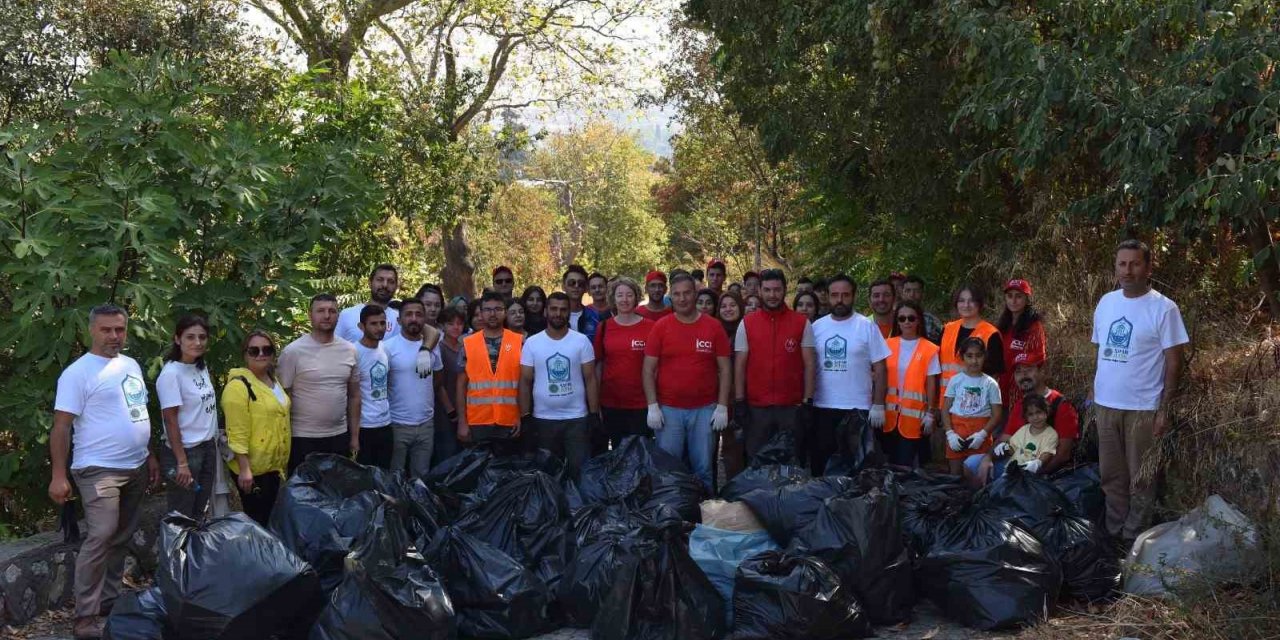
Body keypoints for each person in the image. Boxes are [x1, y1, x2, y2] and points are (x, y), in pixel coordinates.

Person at [50, 305, 160, 639]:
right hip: (98, 469)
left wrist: (150, 455)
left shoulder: (131, 365)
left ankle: (109, 604)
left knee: (121, 536)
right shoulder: (77, 373)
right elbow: (60, 428)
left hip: (136, 465)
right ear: (91, 331)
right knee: (101, 535)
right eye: (106, 330)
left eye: (120, 329)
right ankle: (85, 617)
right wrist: (58, 475)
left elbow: (136, 410)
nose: (114, 336)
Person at [1092, 239, 1189, 542]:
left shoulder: (1164, 308)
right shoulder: (1107, 302)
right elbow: (1101, 349)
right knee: (1111, 476)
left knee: (1141, 480)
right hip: (1106, 405)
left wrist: (1164, 409)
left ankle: (1133, 540)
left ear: (1148, 267)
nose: (1127, 270)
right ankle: (1113, 532)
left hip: (1143, 409)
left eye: (1135, 263)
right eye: (1122, 263)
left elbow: (1175, 363)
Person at [643, 273, 732, 489]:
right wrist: (652, 406)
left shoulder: (713, 327)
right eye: (677, 294)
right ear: (670, 297)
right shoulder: (661, 327)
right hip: (669, 411)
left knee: (703, 468)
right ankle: (670, 514)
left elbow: (725, 369)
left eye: (687, 293)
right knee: (668, 469)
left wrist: (722, 406)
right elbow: (648, 369)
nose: (682, 299)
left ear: (695, 294)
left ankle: (705, 514)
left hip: (704, 410)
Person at [808, 274, 889, 475]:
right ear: (827, 296)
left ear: (853, 296)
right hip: (823, 407)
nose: (840, 300)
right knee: (823, 467)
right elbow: (807, 365)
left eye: (845, 295)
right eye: (835, 295)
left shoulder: (866, 326)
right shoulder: (817, 327)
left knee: (857, 468)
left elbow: (880, 367)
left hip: (858, 409)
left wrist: (878, 404)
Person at [734, 269, 817, 462]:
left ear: (785, 290)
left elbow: (810, 364)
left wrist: (808, 401)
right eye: (768, 290)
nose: (772, 295)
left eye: (777, 290)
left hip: (791, 408)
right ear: (760, 291)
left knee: (791, 462)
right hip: (756, 408)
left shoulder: (801, 323)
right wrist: (739, 401)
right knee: (757, 462)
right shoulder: (746, 323)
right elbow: (739, 365)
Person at [520, 292, 600, 478]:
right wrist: (525, 417)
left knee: (579, 473)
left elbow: (590, 379)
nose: (558, 313)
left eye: (563, 310)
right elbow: (525, 382)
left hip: (577, 419)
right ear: (546, 311)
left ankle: (578, 508)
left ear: (569, 312)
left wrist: (594, 414)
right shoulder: (532, 343)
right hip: (543, 419)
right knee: (548, 476)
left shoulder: (581, 341)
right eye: (554, 309)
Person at [278, 294, 361, 473]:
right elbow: (282, 399)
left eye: (332, 311)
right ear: (310, 315)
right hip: (302, 438)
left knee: (335, 492)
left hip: (339, 436)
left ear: (338, 315)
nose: (326, 315)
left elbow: (354, 395)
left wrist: (354, 437)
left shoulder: (350, 350)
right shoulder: (292, 352)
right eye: (321, 311)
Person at [224, 330, 290, 526]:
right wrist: (244, 469)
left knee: (270, 518)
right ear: (245, 354)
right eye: (254, 350)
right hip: (252, 469)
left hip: (272, 466)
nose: (261, 354)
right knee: (256, 521)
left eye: (266, 349)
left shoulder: (273, 380)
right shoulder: (238, 387)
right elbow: (236, 431)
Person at [156, 314, 218, 519]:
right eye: (190, 337)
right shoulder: (171, 374)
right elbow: (170, 420)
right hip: (185, 454)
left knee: (200, 511)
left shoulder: (200, 367)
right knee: (182, 516)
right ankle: (176, 552)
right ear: (177, 339)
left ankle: (194, 551)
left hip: (207, 447)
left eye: (202, 337)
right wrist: (181, 462)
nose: (197, 342)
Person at [457, 291, 525, 454]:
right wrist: (462, 421)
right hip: (477, 422)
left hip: (509, 421)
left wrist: (521, 417)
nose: (492, 314)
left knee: (508, 473)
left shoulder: (518, 342)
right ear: (480, 313)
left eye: (498, 309)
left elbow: (524, 384)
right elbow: (461, 386)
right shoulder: (468, 343)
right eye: (487, 310)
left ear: (504, 312)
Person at [593, 277, 657, 452]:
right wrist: (596, 401)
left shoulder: (651, 327)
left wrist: (655, 403)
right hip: (611, 403)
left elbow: (657, 367)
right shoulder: (604, 327)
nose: (624, 299)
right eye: (620, 295)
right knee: (618, 453)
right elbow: (598, 366)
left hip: (642, 403)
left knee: (640, 453)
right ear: (613, 299)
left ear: (636, 298)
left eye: (629, 295)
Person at [384, 298, 444, 478]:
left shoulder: (432, 346)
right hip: (397, 423)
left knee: (421, 475)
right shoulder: (388, 348)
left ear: (424, 319)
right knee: (395, 475)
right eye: (408, 314)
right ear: (399, 320)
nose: (414, 319)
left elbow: (438, 376)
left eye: (419, 314)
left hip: (426, 423)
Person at [995, 353, 1079, 475]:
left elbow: (1063, 455)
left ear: (1042, 372)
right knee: (974, 463)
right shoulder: (1020, 404)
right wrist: (987, 458)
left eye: (1028, 370)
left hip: (1042, 473)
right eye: (1018, 371)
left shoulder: (1062, 405)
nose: (1023, 375)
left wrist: (1035, 477)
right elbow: (1005, 439)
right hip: (1015, 464)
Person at [882, 300, 941, 467]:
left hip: (915, 419)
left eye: (911, 318)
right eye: (902, 318)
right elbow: (878, 376)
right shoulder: (887, 345)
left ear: (918, 320)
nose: (906, 322)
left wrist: (931, 413)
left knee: (907, 465)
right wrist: (876, 405)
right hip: (888, 417)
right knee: (889, 464)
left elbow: (932, 383)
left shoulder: (929, 348)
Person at [941, 337, 1003, 476]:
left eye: (978, 356)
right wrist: (950, 434)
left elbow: (997, 414)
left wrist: (983, 434)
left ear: (984, 356)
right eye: (969, 356)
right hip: (957, 432)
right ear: (962, 357)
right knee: (955, 475)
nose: (974, 361)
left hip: (980, 434)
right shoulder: (955, 380)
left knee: (976, 474)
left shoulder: (991, 384)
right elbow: (945, 409)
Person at [968, 394, 1059, 486]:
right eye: (1031, 414)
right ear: (1026, 417)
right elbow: (1013, 448)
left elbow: (1047, 453)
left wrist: (1038, 463)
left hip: (1030, 476)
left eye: (1039, 412)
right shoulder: (1024, 429)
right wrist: (1005, 448)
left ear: (1046, 412)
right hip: (1010, 470)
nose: (1035, 417)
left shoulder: (1051, 434)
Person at [938, 284, 1004, 409]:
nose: (966, 305)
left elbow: (994, 376)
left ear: (979, 304)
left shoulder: (991, 333)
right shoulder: (947, 329)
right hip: (944, 404)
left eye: (971, 301)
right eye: (961, 301)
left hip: (974, 407)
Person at [353, 306, 393, 469]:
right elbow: (351, 394)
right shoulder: (354, 352)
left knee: (384, 474)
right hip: (364, 426)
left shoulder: (385, 349)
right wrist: (354, 436)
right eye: (373, 324)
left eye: (382, 323)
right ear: (361, 326)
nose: (379, 328)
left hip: (385, 423)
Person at [997, 278, 1047, 403]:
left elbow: (1039, 360)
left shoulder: (1034, 327)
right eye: (1010, 296)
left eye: (1018, 296)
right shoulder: (1003, 325)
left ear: (1027, 299)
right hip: (1000, 390)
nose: (1013, 301)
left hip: (1022, 391)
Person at [433, 308, 466, 465]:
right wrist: (451, 411)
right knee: (447, 453)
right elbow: (439, 384)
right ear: (443, 326)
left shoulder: (465, 347)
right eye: (450, 323)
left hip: (465, 408)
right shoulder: (439, 349)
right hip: (445, 411)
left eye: (459, 324)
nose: (455, 327)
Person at [336, 264, 400, 343]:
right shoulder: (348, 314)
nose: (385, 285)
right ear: (370, 283)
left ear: (396, 286)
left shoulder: (400, 320)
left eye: (391, 282)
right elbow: (334, 348)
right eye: (380, 280)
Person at [901, 275, 944, 344]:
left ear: (922, 294)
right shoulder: (893, 319)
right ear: (902, 293)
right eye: (908, 291)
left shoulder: (932, 321)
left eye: (916, 291)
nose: (912, 294)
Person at [562, 264, 601, 340]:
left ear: (586, 288)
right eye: (572, 282)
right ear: (563, 286)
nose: (576, 286)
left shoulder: (595, 316)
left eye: (581, 283)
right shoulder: (553, 315)